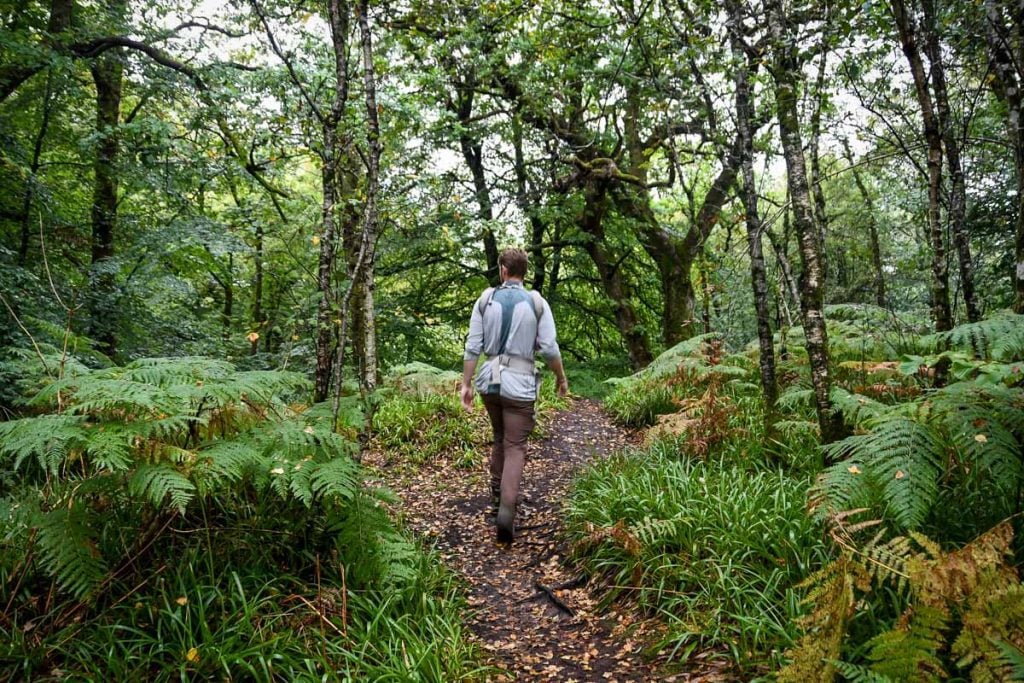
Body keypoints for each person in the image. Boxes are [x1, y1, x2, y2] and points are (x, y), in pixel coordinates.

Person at [461, 248, 568, 543]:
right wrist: (561, 378)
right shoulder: (536, 302)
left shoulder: (486, 299)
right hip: (520, 384)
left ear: (503, 270)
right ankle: (507, 514)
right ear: (523, 271)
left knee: (499, 438)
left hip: (490, 382)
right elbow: (548, 347)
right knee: (515, 446)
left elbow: (473, 346)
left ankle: (496, 502)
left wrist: (466, 384)